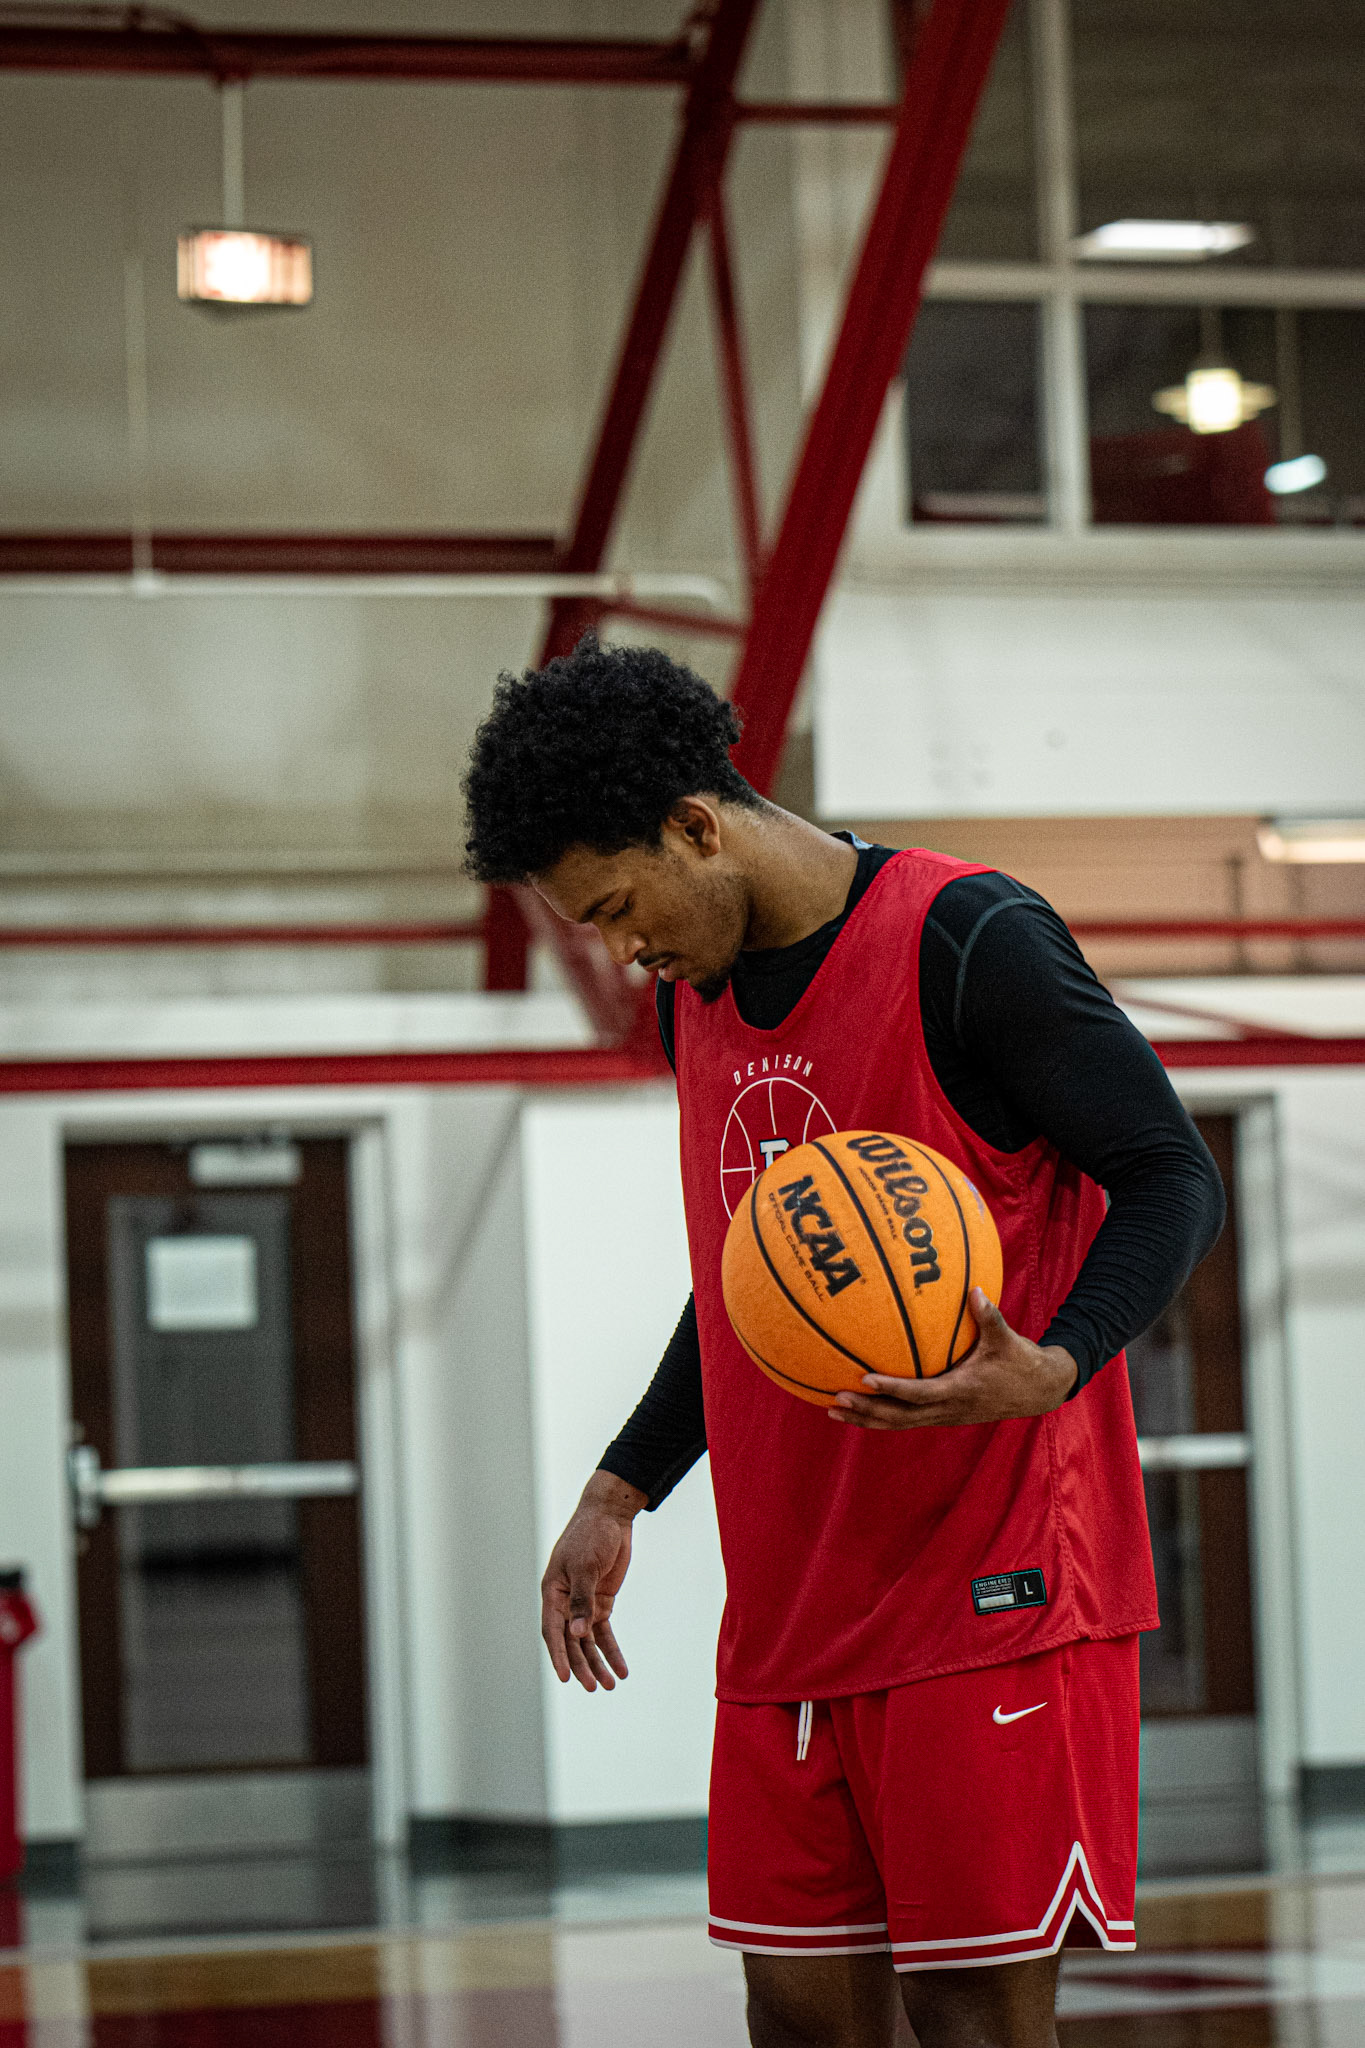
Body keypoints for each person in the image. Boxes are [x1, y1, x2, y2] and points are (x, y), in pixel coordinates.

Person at [462, 636, 1224, 2048]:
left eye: (618, 907)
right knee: (797, 2019)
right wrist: (621, 1488)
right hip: (794, 1608)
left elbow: (1172, 1176)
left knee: (971, 2021)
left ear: (697, 826)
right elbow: (751, 1288)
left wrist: (1055, 1362)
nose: (622, 951)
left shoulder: (968, 939)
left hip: (990, 1593)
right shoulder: (692, 1000)